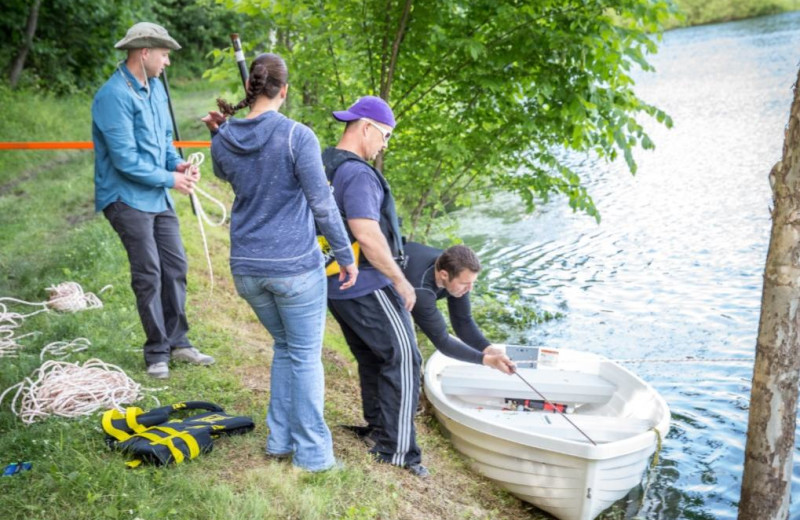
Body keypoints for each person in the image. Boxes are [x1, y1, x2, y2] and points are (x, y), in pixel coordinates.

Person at [201, 53, 358, 473]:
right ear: (283, 90)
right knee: (305, 355)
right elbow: (323, 205)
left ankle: (279, 440)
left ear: (250, 89)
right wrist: (346, 255)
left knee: (286, 347)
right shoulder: (296, 136)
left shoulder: (224, 136)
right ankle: (314, 456)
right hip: (293, 268)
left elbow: (223, 172)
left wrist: (219, 133)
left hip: (247, 268)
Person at [92, 22, 214, 380]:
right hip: (125, 198)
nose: (168, 62)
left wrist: (176, 163)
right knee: (149, 273)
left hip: (156, 195)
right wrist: (172, 179)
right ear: (144, 52)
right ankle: (157, 351)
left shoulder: (157, 87)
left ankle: (179, 341)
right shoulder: (112, 96)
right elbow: (126, 160)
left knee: (175, 267)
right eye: (164, 54)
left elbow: (162, 142)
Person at [322, 96, 429, 478]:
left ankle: (378, 431)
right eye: (384, 135)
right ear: (365, 127)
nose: (384, 144)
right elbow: (366, 232)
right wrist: (400, 281)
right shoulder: (359, 174)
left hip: (334, 282)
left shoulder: (323, 163)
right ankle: (398, 451)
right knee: (405, 359)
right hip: (367, 281)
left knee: (372, 356)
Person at [402, 241, 515, 373]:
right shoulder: (421, 291)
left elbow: (463, 321)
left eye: (472, 283)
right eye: (465, 283)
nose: (469, 289)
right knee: (404, 354)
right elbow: (442, 341)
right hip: (383, 289)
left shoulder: (454, 267)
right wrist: (488, 361)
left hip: (409, 268)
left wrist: (488, 349)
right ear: (444, 274)